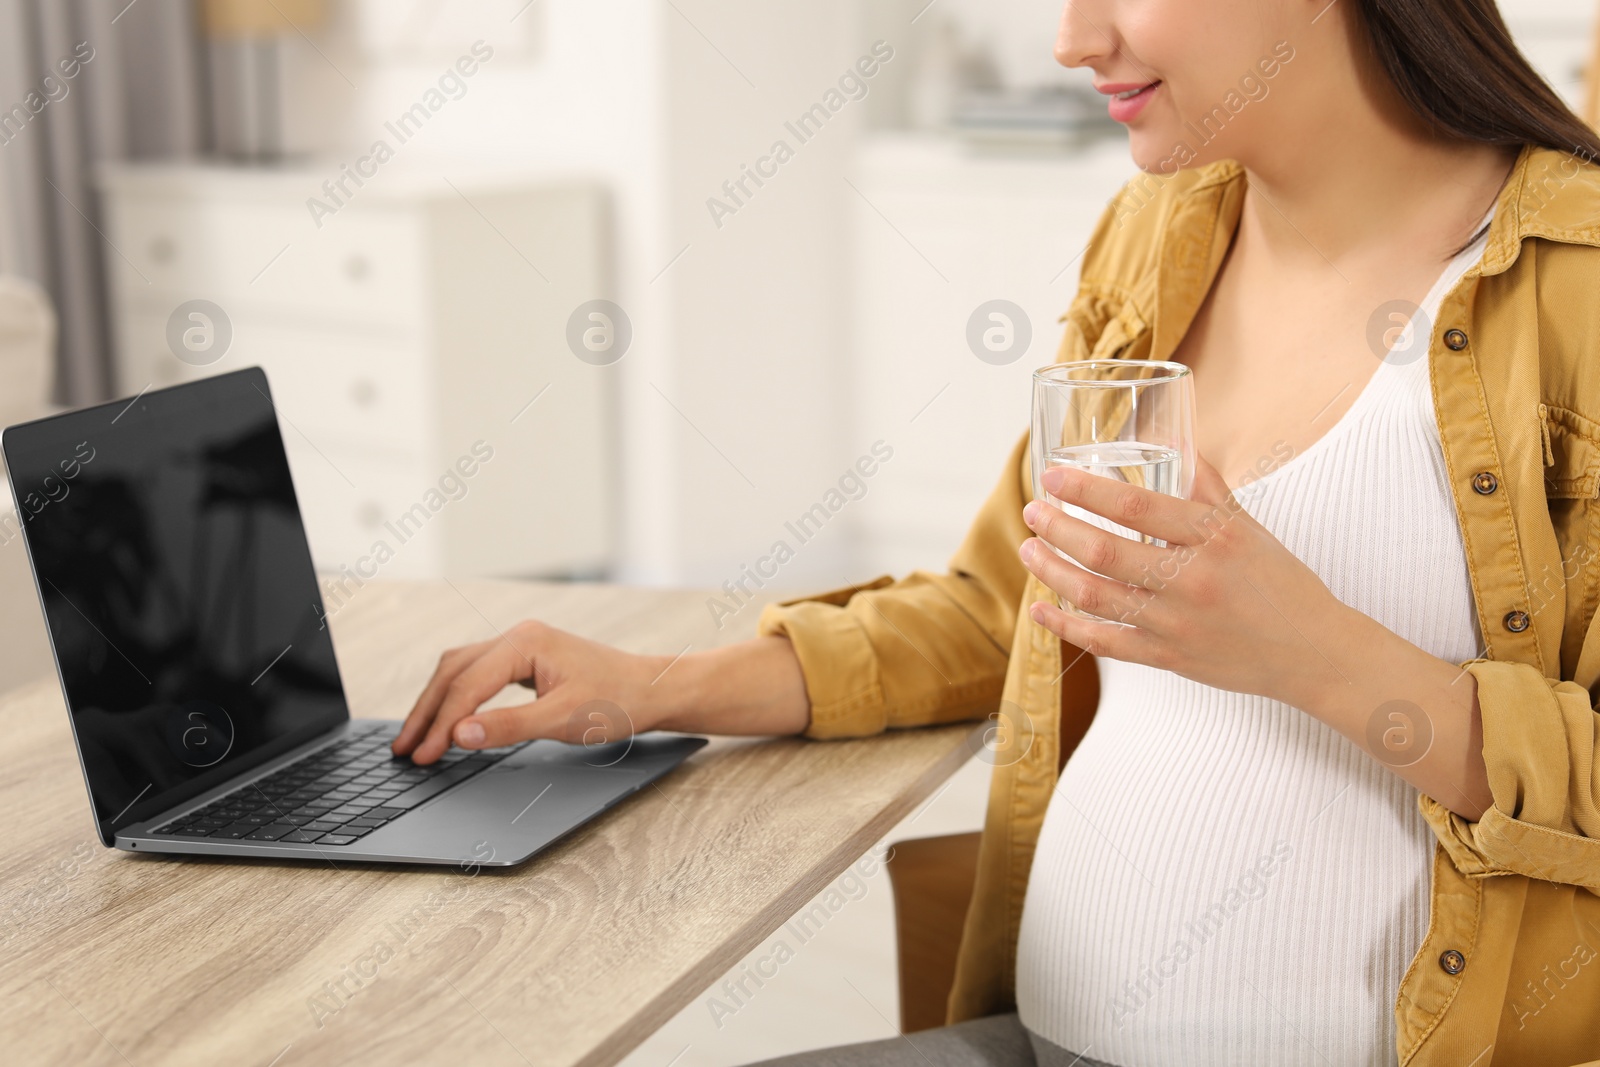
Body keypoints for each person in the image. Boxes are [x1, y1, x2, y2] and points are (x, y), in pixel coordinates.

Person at [392, 0, 1600, 1063]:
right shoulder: (1155, 233)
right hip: (1043, 1030)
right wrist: (652, 685)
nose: (1073, 38)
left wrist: (1314, 652)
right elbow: (1006, 601)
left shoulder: (1575, 284)